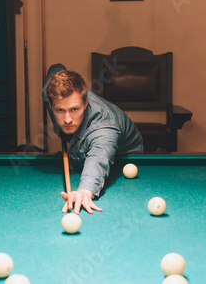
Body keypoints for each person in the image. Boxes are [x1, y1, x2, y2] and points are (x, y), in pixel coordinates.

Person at [43, 64, 143, 214]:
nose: (67, 119)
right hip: (83, 146)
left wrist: (85, 190)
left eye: (74, 109)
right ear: (50, 105)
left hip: (124, 156)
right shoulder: (49, 93)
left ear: (86, 103)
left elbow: (100, 156)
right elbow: (56, 67)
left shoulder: (104, 128)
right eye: (60, 110)